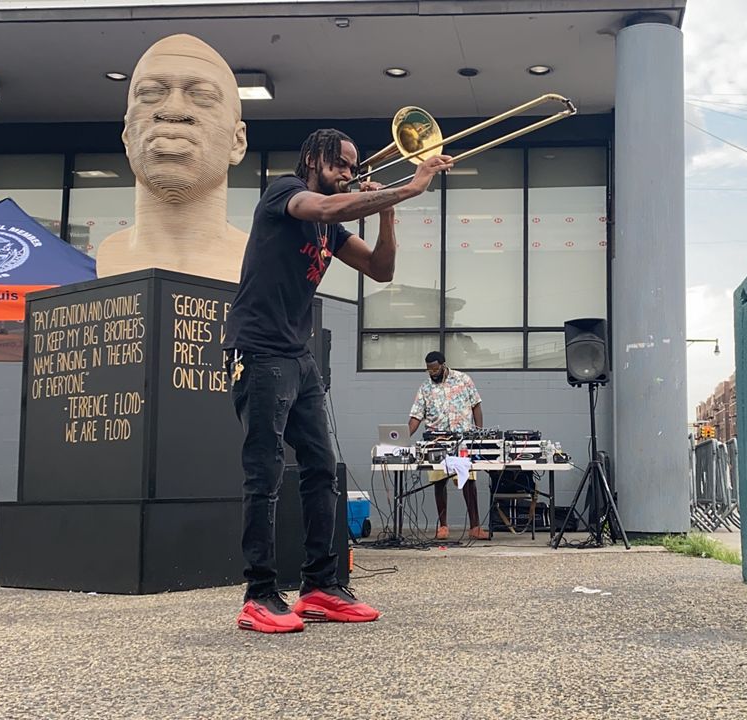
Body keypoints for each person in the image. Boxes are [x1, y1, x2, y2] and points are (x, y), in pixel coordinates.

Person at [224, 128, 453, 633]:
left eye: (353, 166)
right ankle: (258, 595)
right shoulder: (284, 192)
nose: (348, 172)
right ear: (312, 159)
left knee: (322, 469)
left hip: (296, 354)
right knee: (263, 473)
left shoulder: (333, 226)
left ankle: (320, 587)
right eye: (339, 164)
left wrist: (388, 211)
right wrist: (411, 186)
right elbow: (326, 209)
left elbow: (381, 270)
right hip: (258, 349)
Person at [96, 33, 250, 283]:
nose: (173, 111)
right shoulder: (109, 257)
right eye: (149, 93)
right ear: (127, 136)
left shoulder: (259, 264)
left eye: (203, 96)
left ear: (237, 142)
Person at [408, 351, 492, 542]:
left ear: (444, 365)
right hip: (437, 442)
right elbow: (416, 417)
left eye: (435, 368)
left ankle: (475, 527)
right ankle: (443, 526)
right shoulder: (425, 388)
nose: (432, 373)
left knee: (468, 482)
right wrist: (403, 436)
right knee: (439, 482)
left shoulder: (463, 379)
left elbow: (476, 405)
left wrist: (478, 434)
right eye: (429, 370)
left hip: (462, 440)